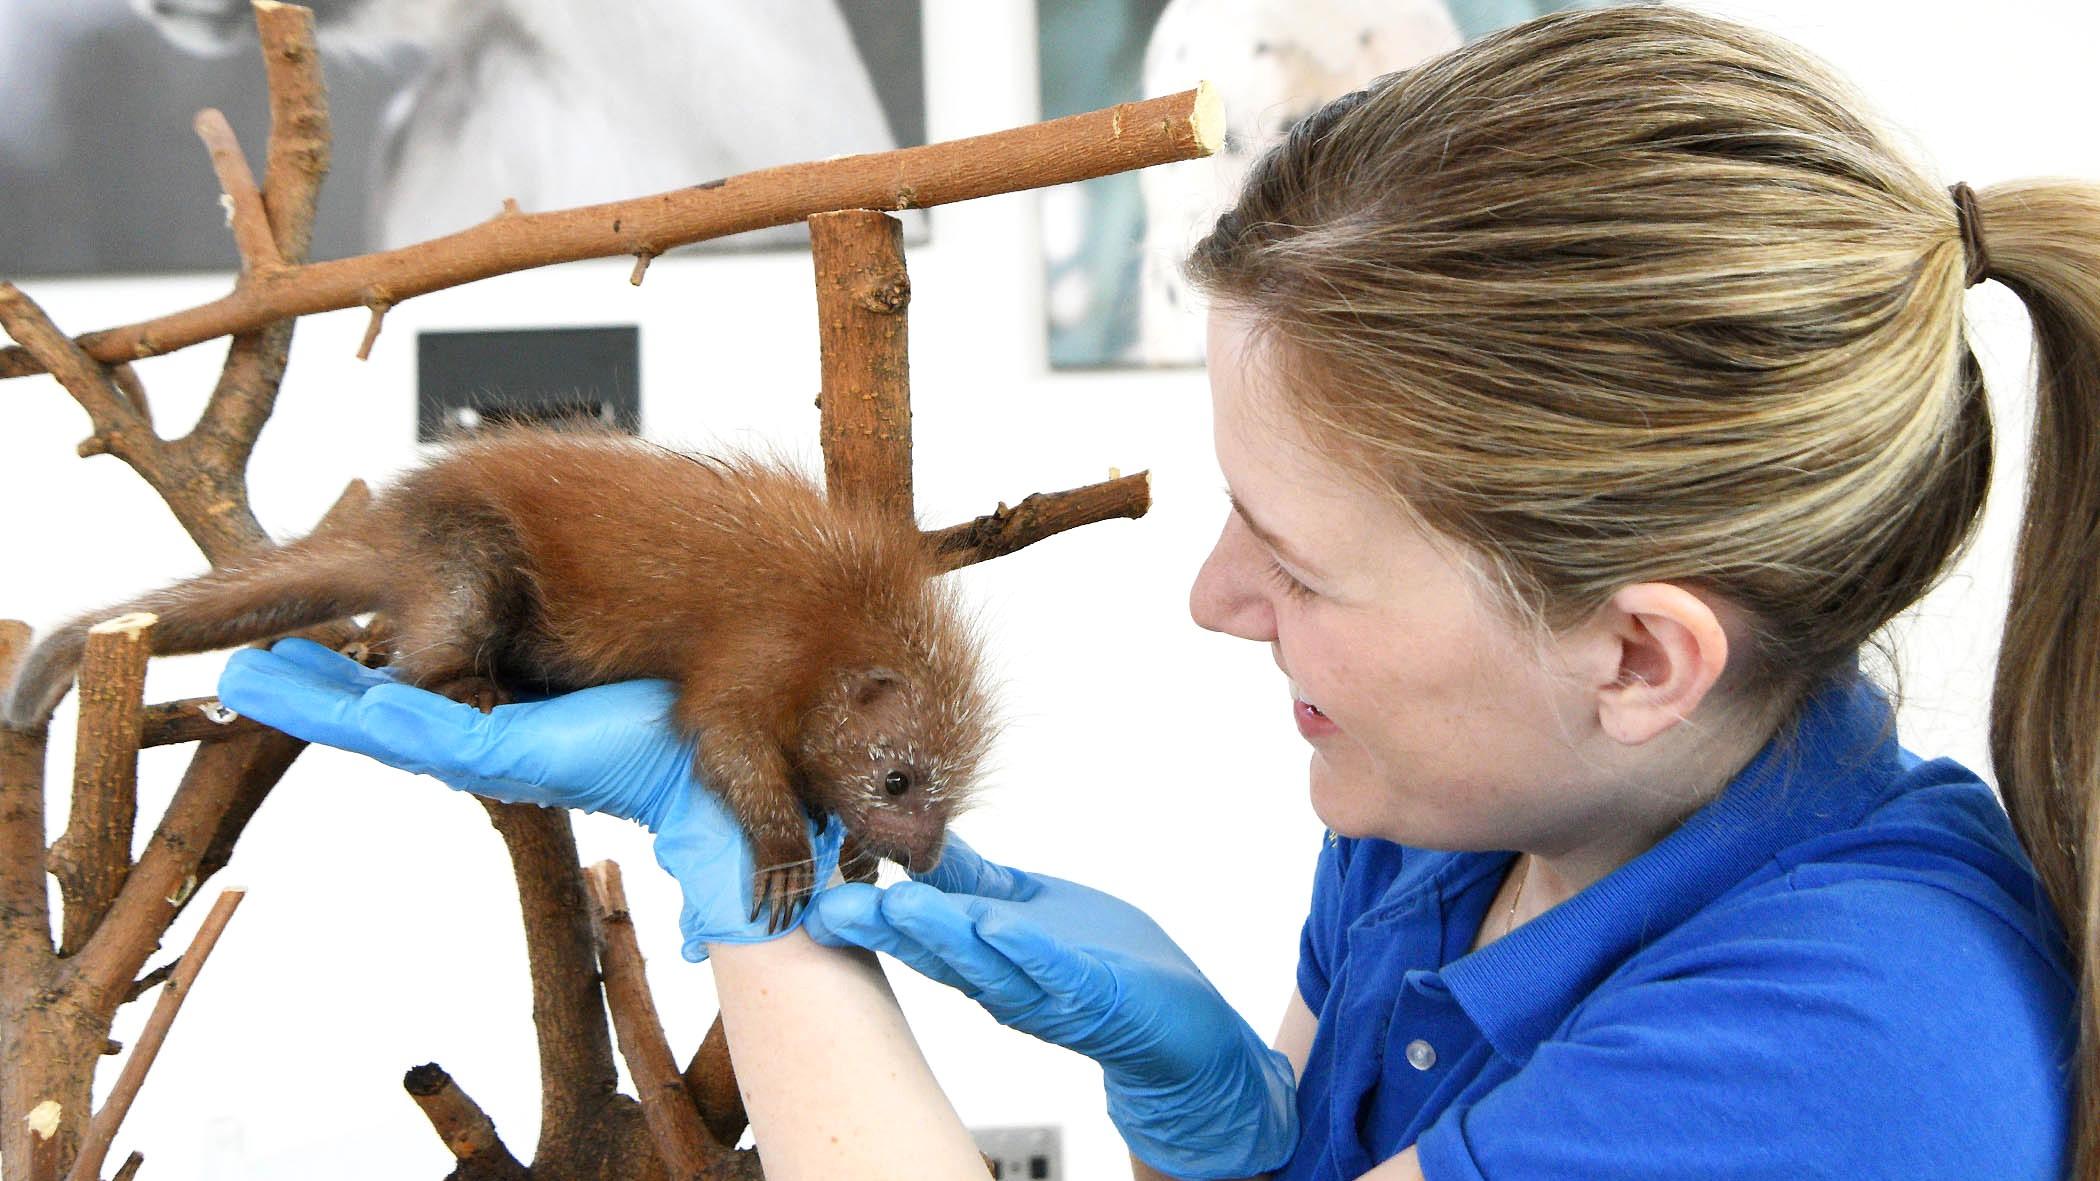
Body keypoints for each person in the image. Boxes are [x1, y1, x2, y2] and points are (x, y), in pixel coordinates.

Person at [215, 6, 2083, 1178]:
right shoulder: (1477, 813)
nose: (1210, 597)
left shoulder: (1841, 1050)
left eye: (1296, 559)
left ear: (1640, 653)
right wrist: (1226, 1132)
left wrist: (763, 915)